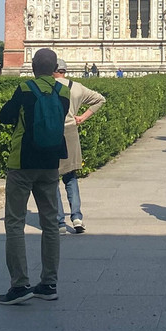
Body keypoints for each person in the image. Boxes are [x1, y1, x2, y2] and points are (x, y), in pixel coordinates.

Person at [0, 48, 71, 304]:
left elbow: (5, 116)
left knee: (15, 222)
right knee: (50, 223)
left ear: (33, 66)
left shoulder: (25, 89)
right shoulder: (64, 92)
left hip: (22, 162)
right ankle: (49, 283)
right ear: (54, 68)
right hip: (50, 162)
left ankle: (19, 285)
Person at [54, 58, 106, 234]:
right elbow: (100, 99)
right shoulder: (76, 87)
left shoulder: (45, 87)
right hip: (71, 133)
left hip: (51, 134)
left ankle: (60, 223)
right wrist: (83, 117)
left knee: (52, 178)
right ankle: (76, 217)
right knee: (71, 177)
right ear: (64, 70)